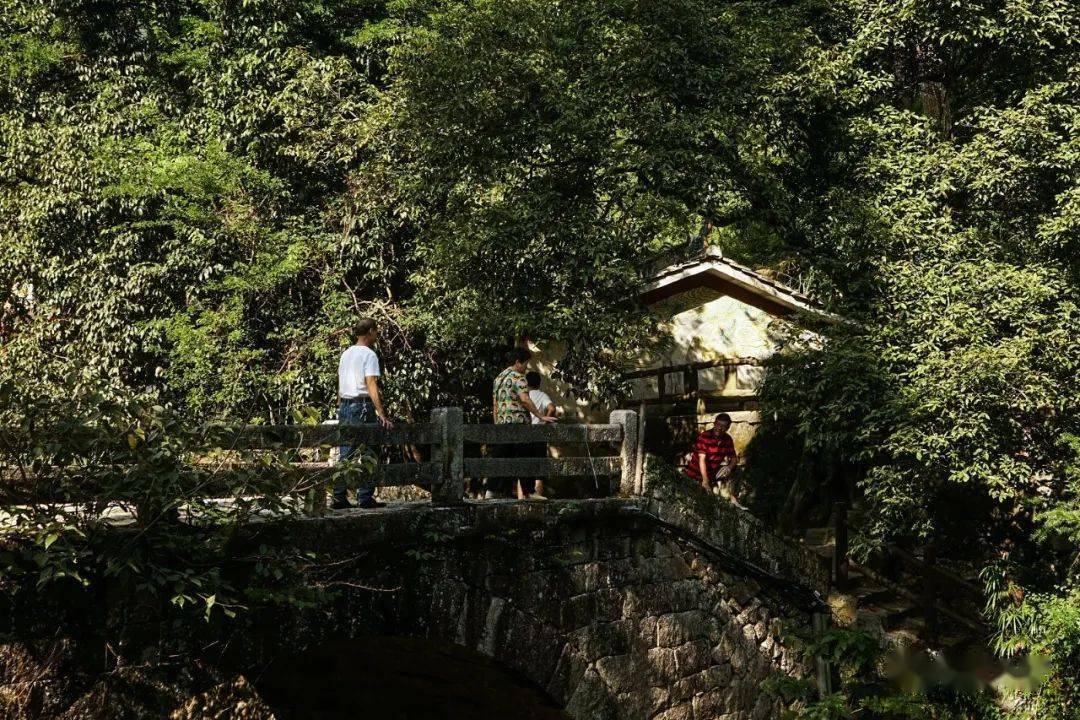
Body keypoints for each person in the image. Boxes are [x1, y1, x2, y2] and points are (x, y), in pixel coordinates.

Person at [333, 318, 393, 510]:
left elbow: (341, 383)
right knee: (371, 451)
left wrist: (340, 404)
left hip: (345, 404)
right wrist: (381, 413)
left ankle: (338, 497)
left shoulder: (346, 353)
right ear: (369, 332)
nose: (377, 335)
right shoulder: (369, 355)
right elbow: (371, 384)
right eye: (376, 332)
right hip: (362, 406)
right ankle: (365, 497)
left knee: (346, 453)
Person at [490, 347, 554, 499]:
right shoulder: (519, 378)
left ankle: (490, 491)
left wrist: (496, 425)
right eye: (526, 363)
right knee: (526, 457)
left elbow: (495, 404)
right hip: (519, 423)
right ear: (518, 362)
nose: (526, 367)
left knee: (500, 458)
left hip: (503, 423)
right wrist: (540, 415)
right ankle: (529, 492)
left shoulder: (499, 378)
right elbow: (525, 400)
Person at [684, 413, 741, 506]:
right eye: (718, 424)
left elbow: (734, 459)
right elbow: (701, 460)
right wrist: (705, 480)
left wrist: (729, 467)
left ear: (728, 428)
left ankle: (734, 499)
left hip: (712, 473)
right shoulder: (704, 437)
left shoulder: (727, 439)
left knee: (737, 470)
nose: (720, 428)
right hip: (696, 473)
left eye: (723, 426)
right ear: (714, 423)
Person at [524, 371, 556, 500]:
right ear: (539, 383)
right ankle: (538, 498)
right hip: (539, 434)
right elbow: (552, 408)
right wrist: (544, 421)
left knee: (524, 468)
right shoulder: (542, 395)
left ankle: (523, 499)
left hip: (525, 434)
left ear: (526, 383)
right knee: (539, 468)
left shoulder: (524, 396)